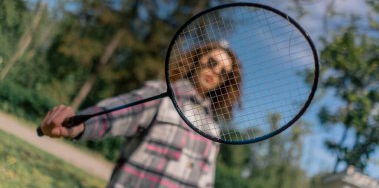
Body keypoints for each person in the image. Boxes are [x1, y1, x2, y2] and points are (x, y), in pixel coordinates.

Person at [40, 42, 242, 188]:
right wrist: (75, 124)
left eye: (223, 72)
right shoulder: (161, 95)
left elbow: (206, 180)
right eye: (212, 62)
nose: (215, 71)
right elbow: (119, 112)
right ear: (197, 60)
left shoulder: (213, 130)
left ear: (226, 82)